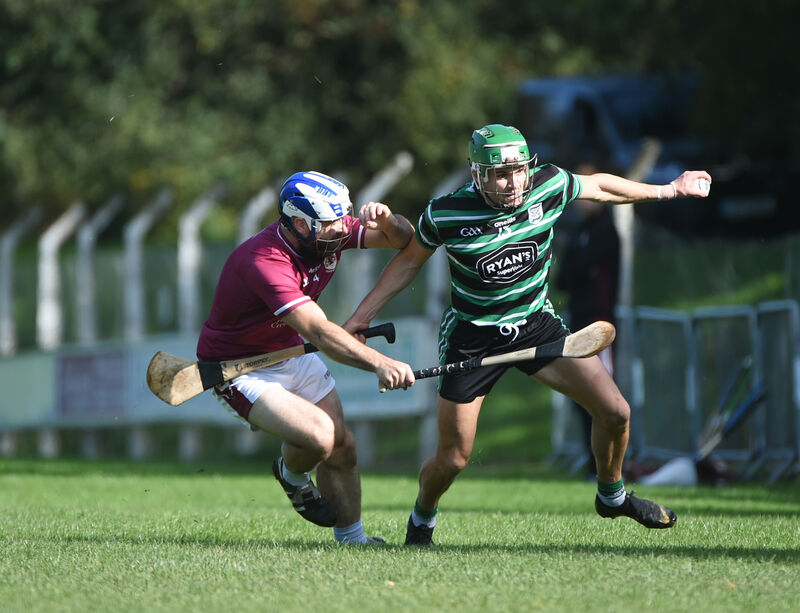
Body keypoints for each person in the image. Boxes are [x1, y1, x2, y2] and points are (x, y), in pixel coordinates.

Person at [344, 124, 711, 545]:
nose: (512, 182)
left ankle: (612, 496)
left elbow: (600, 187)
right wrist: (360, 318)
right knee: (454, 457)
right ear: (477, 174)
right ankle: (422, 521)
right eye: (500, 174)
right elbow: (408, 263)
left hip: (536, 326)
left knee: (616, 412)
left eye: (518, 170)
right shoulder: (446, 212)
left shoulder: (547, 185)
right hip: (472, 336)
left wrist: (669, 189)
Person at [197, 170, 416, 545]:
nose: (341, 230)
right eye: (331, 224)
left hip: (289, 351)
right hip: (239, 368)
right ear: (299, 223)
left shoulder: (326, 231)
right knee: (320, 437)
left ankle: (353, 541)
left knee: (343, 444)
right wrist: (379, 362)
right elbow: (319, 331)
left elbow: (404, 241)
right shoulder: (264, 261)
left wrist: (389, 220)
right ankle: (292, 475)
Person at [554, 162, 620, 479]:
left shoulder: (606, 231)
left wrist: (579, 271)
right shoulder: (580, 232)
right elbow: (564, 277)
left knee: (603, 395)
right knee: (580, 397)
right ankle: (591, 462)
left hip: (599, 324)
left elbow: (580, 270)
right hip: (575, 322)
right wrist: (579, 271)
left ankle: (608, 468)